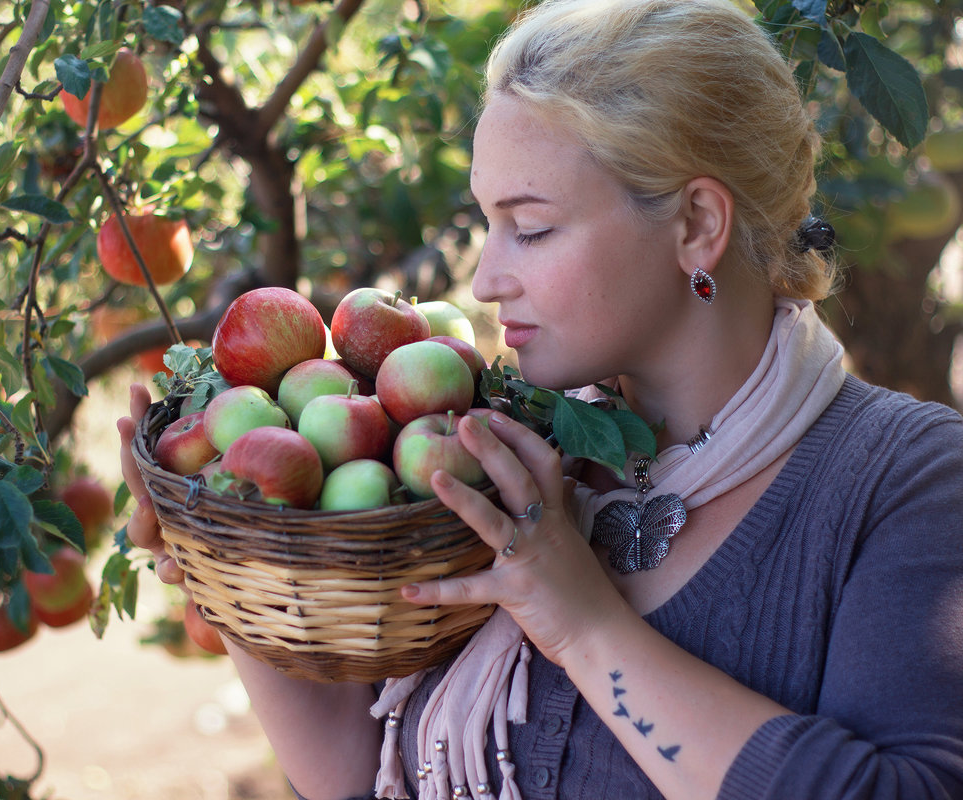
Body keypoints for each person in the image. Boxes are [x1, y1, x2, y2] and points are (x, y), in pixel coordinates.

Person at [117, 0, 963, 796]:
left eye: (531, 227)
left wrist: (588, 629)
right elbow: (364, 775)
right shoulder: (504, 449)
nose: (485, 279)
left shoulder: (908, 483)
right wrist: (236, 562)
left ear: (698, 223)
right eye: (487, 223)